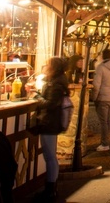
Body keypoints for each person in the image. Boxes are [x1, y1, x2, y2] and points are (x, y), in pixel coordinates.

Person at [34, 56, 69, 202]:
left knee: (50, 156)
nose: (45, 66)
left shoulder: (56, 83)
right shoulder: (57, 81)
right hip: (50, 121)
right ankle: (51, 187)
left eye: (48, 64)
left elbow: (51, 103)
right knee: (50, 156)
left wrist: (37, 96)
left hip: (49, 121)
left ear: (53, 67)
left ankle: (50, 190)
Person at [91, 49, 110, 151]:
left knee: (103, 122)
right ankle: (105, 142)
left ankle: (105, 143)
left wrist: (94, 97)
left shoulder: (101, 67)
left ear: (103, 56)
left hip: (102, 97)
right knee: (106, 121)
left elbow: (97, 84)